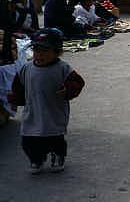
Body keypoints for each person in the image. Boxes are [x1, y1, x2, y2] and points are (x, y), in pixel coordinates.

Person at [8, 28, 85, 174]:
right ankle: (36, 159)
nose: (39, 55)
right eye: (37, 50)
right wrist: (14, 99)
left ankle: (58, 156)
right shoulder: (27, 68)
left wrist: (67, 91)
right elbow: (18, 86)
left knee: (54, 138)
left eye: (45, 51)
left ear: (57, 52)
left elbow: (77, 82)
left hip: (53, 111)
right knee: (29, 140)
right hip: (32, 111)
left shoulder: (62, 68)